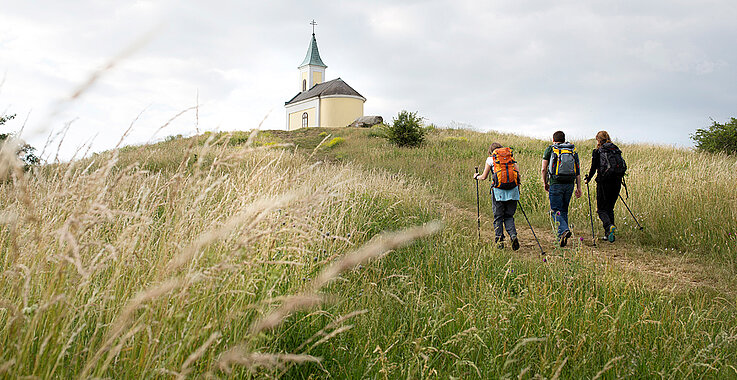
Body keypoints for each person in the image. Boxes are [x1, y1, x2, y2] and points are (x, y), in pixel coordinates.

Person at [474, 142, 521, 250]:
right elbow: (518, 174)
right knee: (509, 216)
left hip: (498, 192)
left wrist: (476, 177)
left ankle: (499, 241)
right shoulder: (510, 158)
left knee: (498, 217)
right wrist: (517, 190)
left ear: (491, 151)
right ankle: (513, 235)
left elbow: (484, 177)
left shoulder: (491, 159)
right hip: (513, 191)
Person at [541, 131, 582, 247]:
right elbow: (577, 171)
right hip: (570, 184)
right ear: (564, 139)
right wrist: (578, 187)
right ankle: (562, 237)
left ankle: (564, 230)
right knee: (564, 210)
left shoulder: (550, 149)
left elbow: (544, 169)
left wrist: (545, 182)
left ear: (553, 139)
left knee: (554, 210)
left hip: (555, 183)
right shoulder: (572, 150)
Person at [585, 131, 625, 242]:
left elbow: (593, 168)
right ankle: (609, 235)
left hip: (604, 182)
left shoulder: (598, 151)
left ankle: (609, 226)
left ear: (598, 139)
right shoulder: (615, 149)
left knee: (601, 209)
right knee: (610, 208)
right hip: (617, 182)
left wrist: (588, 179)